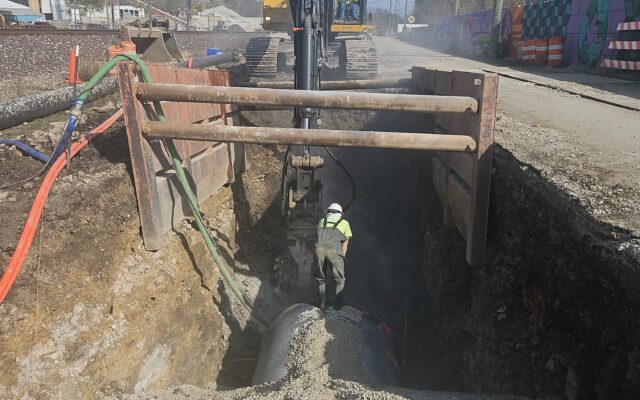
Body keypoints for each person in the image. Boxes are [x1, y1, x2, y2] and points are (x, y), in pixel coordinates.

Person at [314, 203, 352, 309]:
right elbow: (345, 242)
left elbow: (318, 237)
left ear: (328, 212)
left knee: (320, 278)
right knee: (339, 279)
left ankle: (321, 304)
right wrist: (342, 257)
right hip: (334, 251)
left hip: (319, 250)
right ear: (340, 214)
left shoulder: (322, 221)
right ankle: (338, 306)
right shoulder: (344, 223)